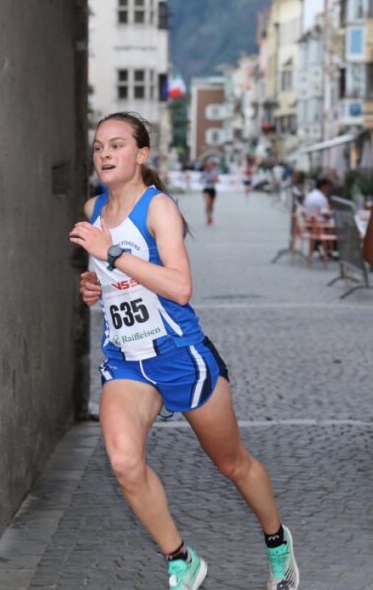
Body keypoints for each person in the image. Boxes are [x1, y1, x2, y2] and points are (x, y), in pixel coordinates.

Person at [69, 112, 299, 590]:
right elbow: (115, 281)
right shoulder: (93, 210)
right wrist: (93, 285)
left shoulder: (159, 209)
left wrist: (112, 254)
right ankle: (181, 559)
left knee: (231, 463)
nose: (106, 154)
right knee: (124, 462)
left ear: (142, 154)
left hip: (179, 355)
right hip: (128, 359)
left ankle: (277, 542)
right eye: (98, 147)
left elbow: (179, 286)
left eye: (117, 145)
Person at [200, 159, 219, 225]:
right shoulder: (204, 172)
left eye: (211, 165)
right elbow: (201, 180)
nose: (210, 167)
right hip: (206, 189)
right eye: (208, 165)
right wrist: (204, 181)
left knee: (211, 205)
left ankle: (210, 216)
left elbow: (218, 181)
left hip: (212, 190)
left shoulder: (214, 172)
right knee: (207, 203)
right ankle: (207, 217)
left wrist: (215, 180)